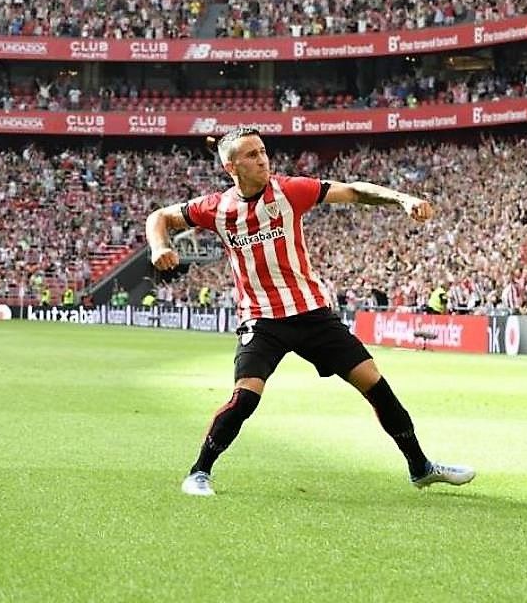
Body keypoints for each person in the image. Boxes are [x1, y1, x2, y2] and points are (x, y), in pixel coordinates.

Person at [144, 128, 475, 497]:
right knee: (246, 396)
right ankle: (198, 473)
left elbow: (353, 190)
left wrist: (401, 199)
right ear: (230, 166)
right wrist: (159, 247)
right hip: (262, 318)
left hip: (312, 313)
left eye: (263, 151)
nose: (262, 159)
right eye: (251, 155)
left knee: (375, 384)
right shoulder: (216, 208)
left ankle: (420, 467)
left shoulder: (289, 191)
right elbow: (160, 216)